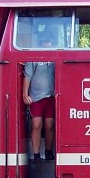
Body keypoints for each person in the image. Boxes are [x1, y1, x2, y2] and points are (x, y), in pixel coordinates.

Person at [23, 34, 56, 162]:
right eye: (45, 43)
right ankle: (36, 154)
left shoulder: (54, 59)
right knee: (36, 124)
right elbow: (27, 77)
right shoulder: (33, 58)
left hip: (51, 97)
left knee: (49, 125)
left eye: (49, 43)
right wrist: (25, 95)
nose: (47, 46)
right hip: (36, 97)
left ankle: (48, 152)